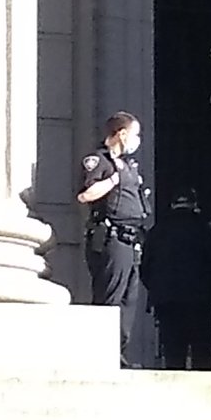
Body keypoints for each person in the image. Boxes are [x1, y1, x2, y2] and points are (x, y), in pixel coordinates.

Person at [76, 111, 152, 366]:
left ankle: (118, 354)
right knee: (110, 297)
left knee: (128, 301)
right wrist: (114, 179)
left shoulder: (130, 165)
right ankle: (101, 355)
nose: (137, 139)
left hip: (131, 240)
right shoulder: (99, 161)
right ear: (121, 133)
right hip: (111, 237)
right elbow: (86, 195)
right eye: (135, 133)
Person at [141, 187, 211, 369]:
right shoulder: (205, 229)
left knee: (173, 353)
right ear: (194, 204)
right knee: (201, 352)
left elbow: (145, 268)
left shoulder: (157, 231)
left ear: (172, 205)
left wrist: (157, 290)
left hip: (167, 300)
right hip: (199, 300)